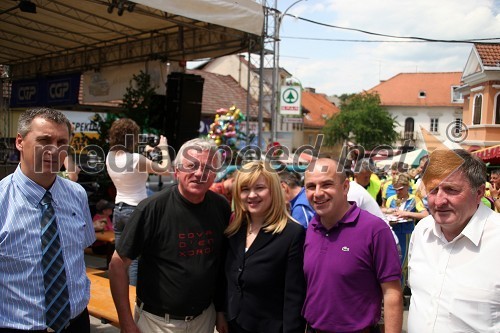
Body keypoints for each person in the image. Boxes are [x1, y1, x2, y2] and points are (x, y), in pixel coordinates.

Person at [108, 138, 231, 333]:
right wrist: (126, 321)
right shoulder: (151, 209)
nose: (200, 173)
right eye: (192, 166)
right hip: (158, 324)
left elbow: (221, 264)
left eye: (208, 168)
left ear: (215, 175)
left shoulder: (221, 206)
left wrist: (221, 311)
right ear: (177, 171)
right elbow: (117, 265)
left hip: (204, 319)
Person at [0, 107, 95, 332]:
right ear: (20, 142)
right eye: (44, 140)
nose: (54, 150)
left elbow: (77, 255)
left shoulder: (77, 194)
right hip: (19, 326)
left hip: (76, 323)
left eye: (62, 142)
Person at [303, 158, 403, 333]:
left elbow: (392, 293)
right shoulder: (312, 227)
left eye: (326, 184)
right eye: (311, 186)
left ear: (345, 187)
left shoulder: (375, 230)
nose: (318, 193)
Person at [407, 149, 500, 332]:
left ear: (479, 192)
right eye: (433, 190)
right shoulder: (421, 231)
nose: (439, 201)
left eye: (451, 190)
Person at [224, 161, 306, 333]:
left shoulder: (291, 233)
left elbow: (294, 297)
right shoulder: (234, 229)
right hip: (235, 324)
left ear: (274, 190)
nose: (251, 195)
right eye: (245, 189)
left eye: (259, 188)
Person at [105, 118, 171, 286]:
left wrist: (147, 152)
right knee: (135, 260)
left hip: (119, 210)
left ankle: (119, 293)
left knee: (120, 258)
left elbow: (136, 165)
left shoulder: (110, 157)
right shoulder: (135, 159)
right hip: (136, 210)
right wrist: (163, 148)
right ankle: (134, 296)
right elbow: (165, 169)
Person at [382, 173, 428, 291]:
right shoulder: (392, 199)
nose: (398, 192)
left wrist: (407, 214)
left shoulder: (414, 199)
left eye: (401, 189)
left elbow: (425, 214)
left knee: (401, 265)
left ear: (407, 186)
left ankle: (399, 293)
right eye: (395, 189)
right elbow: (382, 210)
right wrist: (389, 211)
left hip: (406, 234)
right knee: (391, 264)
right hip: (392, 233)